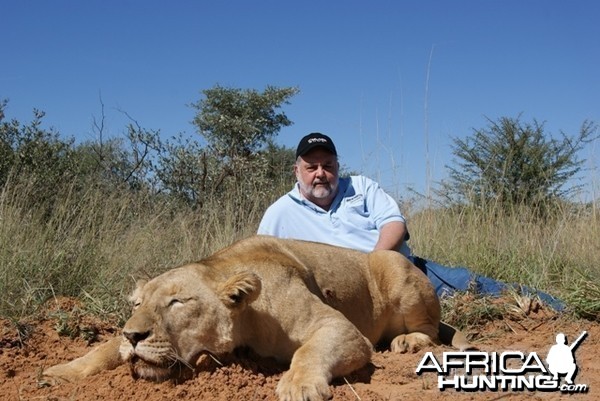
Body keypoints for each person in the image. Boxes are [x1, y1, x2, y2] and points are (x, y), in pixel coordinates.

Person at [258, 132, 564, 310]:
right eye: (312, 167)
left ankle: (566, 311)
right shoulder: (279, 214)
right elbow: (264, 266)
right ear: (297, 171)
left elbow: (395, 226)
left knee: (479, 287)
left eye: (328, 165)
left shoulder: (361, 187)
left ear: (338, 166)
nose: (320, 173)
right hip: (348, 298)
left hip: (404, 273)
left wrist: (374, 268)